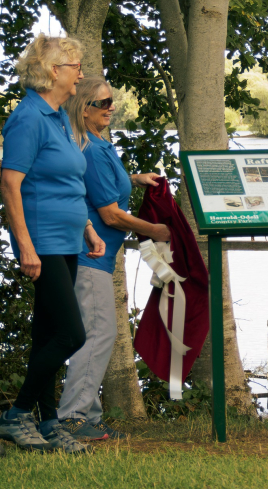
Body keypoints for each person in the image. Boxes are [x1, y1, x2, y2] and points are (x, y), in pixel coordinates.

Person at [0, 35, 105, 454]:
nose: (81, 74)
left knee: (47, 336)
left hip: (67, 239)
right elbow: (10, 184)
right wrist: (25, 246)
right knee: (71, 334)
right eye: (75, 66)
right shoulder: (28, 117)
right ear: (53, 71)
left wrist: (88, 229)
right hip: (41, 241)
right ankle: (16, 414)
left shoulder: (59, 116)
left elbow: (67, 181)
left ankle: (48, 423)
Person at [55, 77, 170, 441]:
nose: (111, 108)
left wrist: (135, 179)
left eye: (111, 101)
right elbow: (110, 215)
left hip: (97, 259)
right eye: (104, 103)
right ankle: (73, 417)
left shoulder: (98, 145)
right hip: (89, 257)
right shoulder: (89, 149)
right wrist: (156, 230)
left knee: (95, 333)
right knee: (99, 333)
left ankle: (86, 415)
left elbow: (103, 187)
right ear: (84, 109)